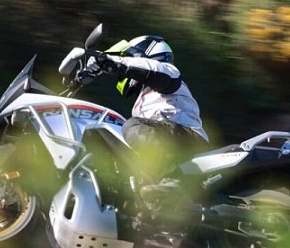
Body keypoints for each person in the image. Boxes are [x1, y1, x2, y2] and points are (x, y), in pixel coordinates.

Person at [86, 35, 208, 218]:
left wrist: (111, 61)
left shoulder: (168, 72)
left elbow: (151, 69)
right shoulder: (143, 100)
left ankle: (173, 181)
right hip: (168, 139)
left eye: (130, 57)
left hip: (186, 137)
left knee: (131, 126)